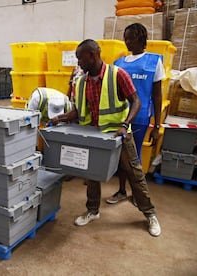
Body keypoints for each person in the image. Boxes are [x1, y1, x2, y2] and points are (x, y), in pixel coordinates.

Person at [48, 39, 161, 237]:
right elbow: (78, 111)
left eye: (80, 58)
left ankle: (150, 214)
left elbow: (136, 101)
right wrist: (61, 118)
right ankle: (93, 210)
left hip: (119, 135)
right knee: (91, 175)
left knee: (135, 174)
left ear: (93, 55)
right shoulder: (81, 82)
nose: (78, 63)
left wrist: (125, 125)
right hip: (93, 136)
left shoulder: (117, 74)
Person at [106, 23, 165, 205]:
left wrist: (156, 125)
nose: (127, 42)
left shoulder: (154, 62)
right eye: (126, 38)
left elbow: (157, 95)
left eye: (131, 38)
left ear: (141, 38)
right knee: (121, 158)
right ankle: (122, 190)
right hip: (119, 118)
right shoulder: (119, 63)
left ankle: (138, 195)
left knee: (134, 159)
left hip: (139, 119)